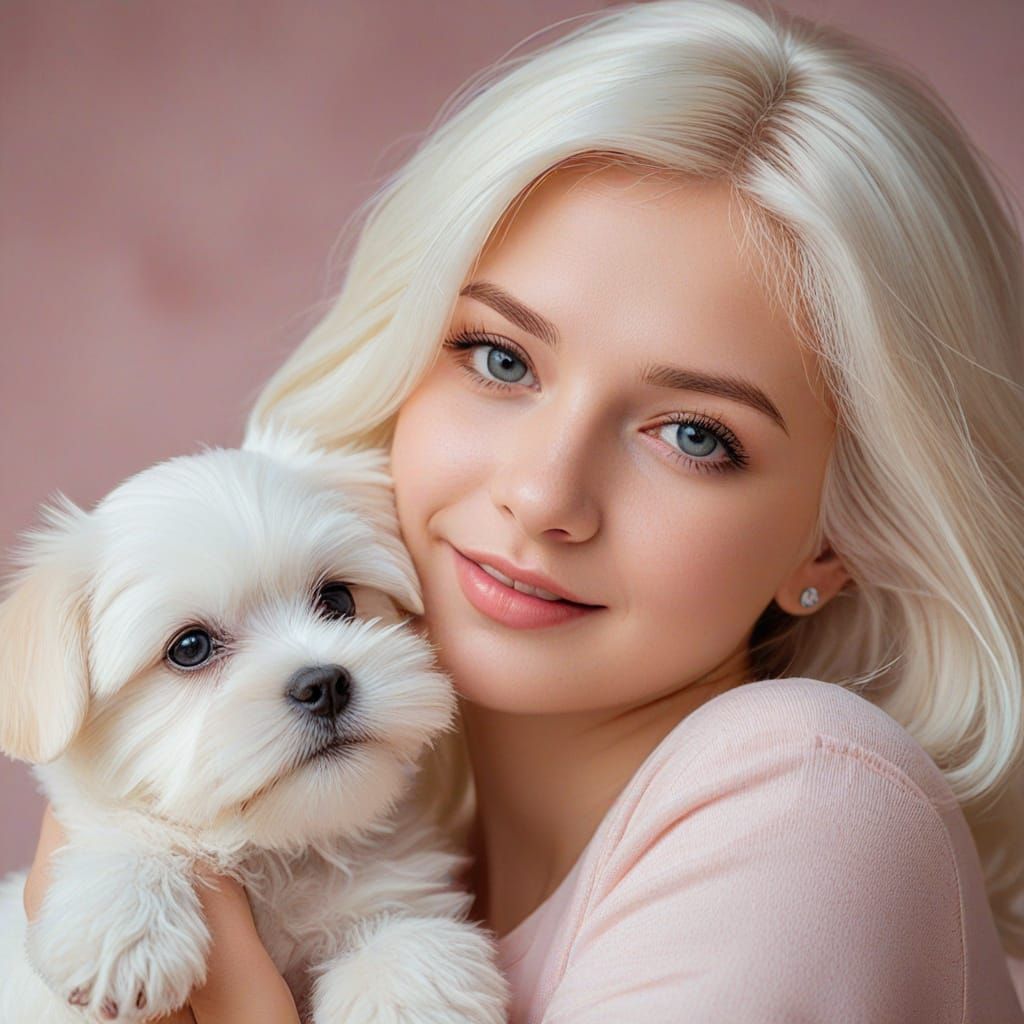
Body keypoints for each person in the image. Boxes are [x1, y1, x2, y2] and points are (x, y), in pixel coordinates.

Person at [22, 0, 1024, 1019]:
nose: (544, 494)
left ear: (837, 536)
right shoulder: (383, 853)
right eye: (500, 359)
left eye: (694, 435)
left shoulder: (807, 804)